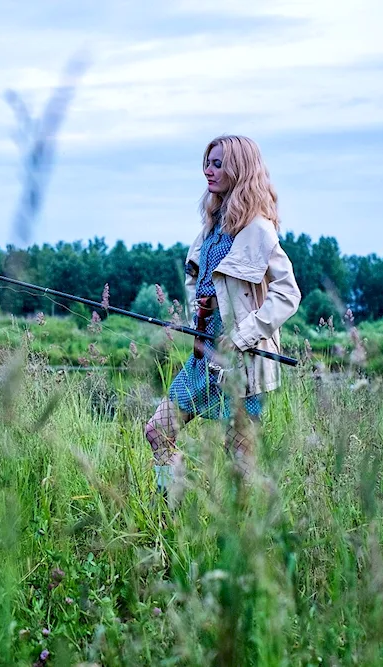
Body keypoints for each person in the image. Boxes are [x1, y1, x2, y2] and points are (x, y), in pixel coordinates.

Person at [144, 135, 301, 492]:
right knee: (158, 431)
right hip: (202, 358)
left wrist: (243, 335)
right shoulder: (210, 227)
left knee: (240, 469)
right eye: (207, 163)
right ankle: (169, 503)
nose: (208, 171)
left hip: (241, 368)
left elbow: (288, 293)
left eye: (217, 164)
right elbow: (199, 281)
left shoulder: (259, 230)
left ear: (240, 169)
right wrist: (200, 310)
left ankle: (242, 540)